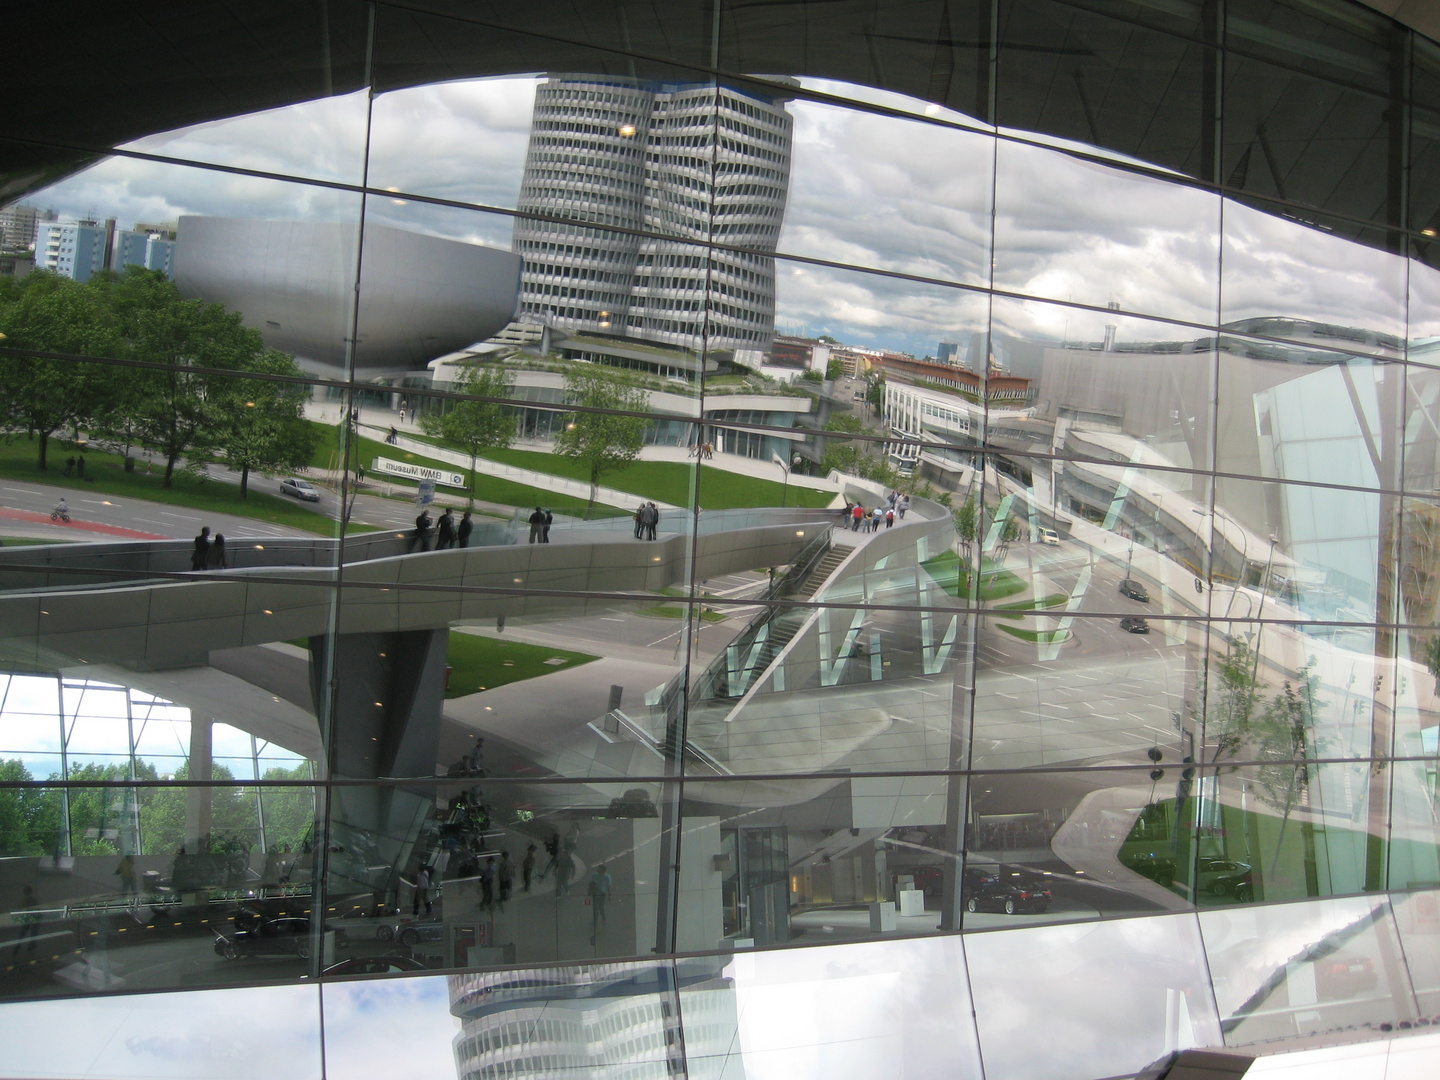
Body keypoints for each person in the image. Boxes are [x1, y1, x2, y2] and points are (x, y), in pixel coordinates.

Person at [586, 863, 612, 944]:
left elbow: (608, 887)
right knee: (595, 908)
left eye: (600, 870)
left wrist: (609, 895)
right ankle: (595, 920)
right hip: (595, 893)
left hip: (602, 894)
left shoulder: (607, 877)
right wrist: (590, 891)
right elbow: (591, 884)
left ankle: (603, 917)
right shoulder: (595, 876)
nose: (599, 871)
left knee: (600, 908)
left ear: (603, 871)